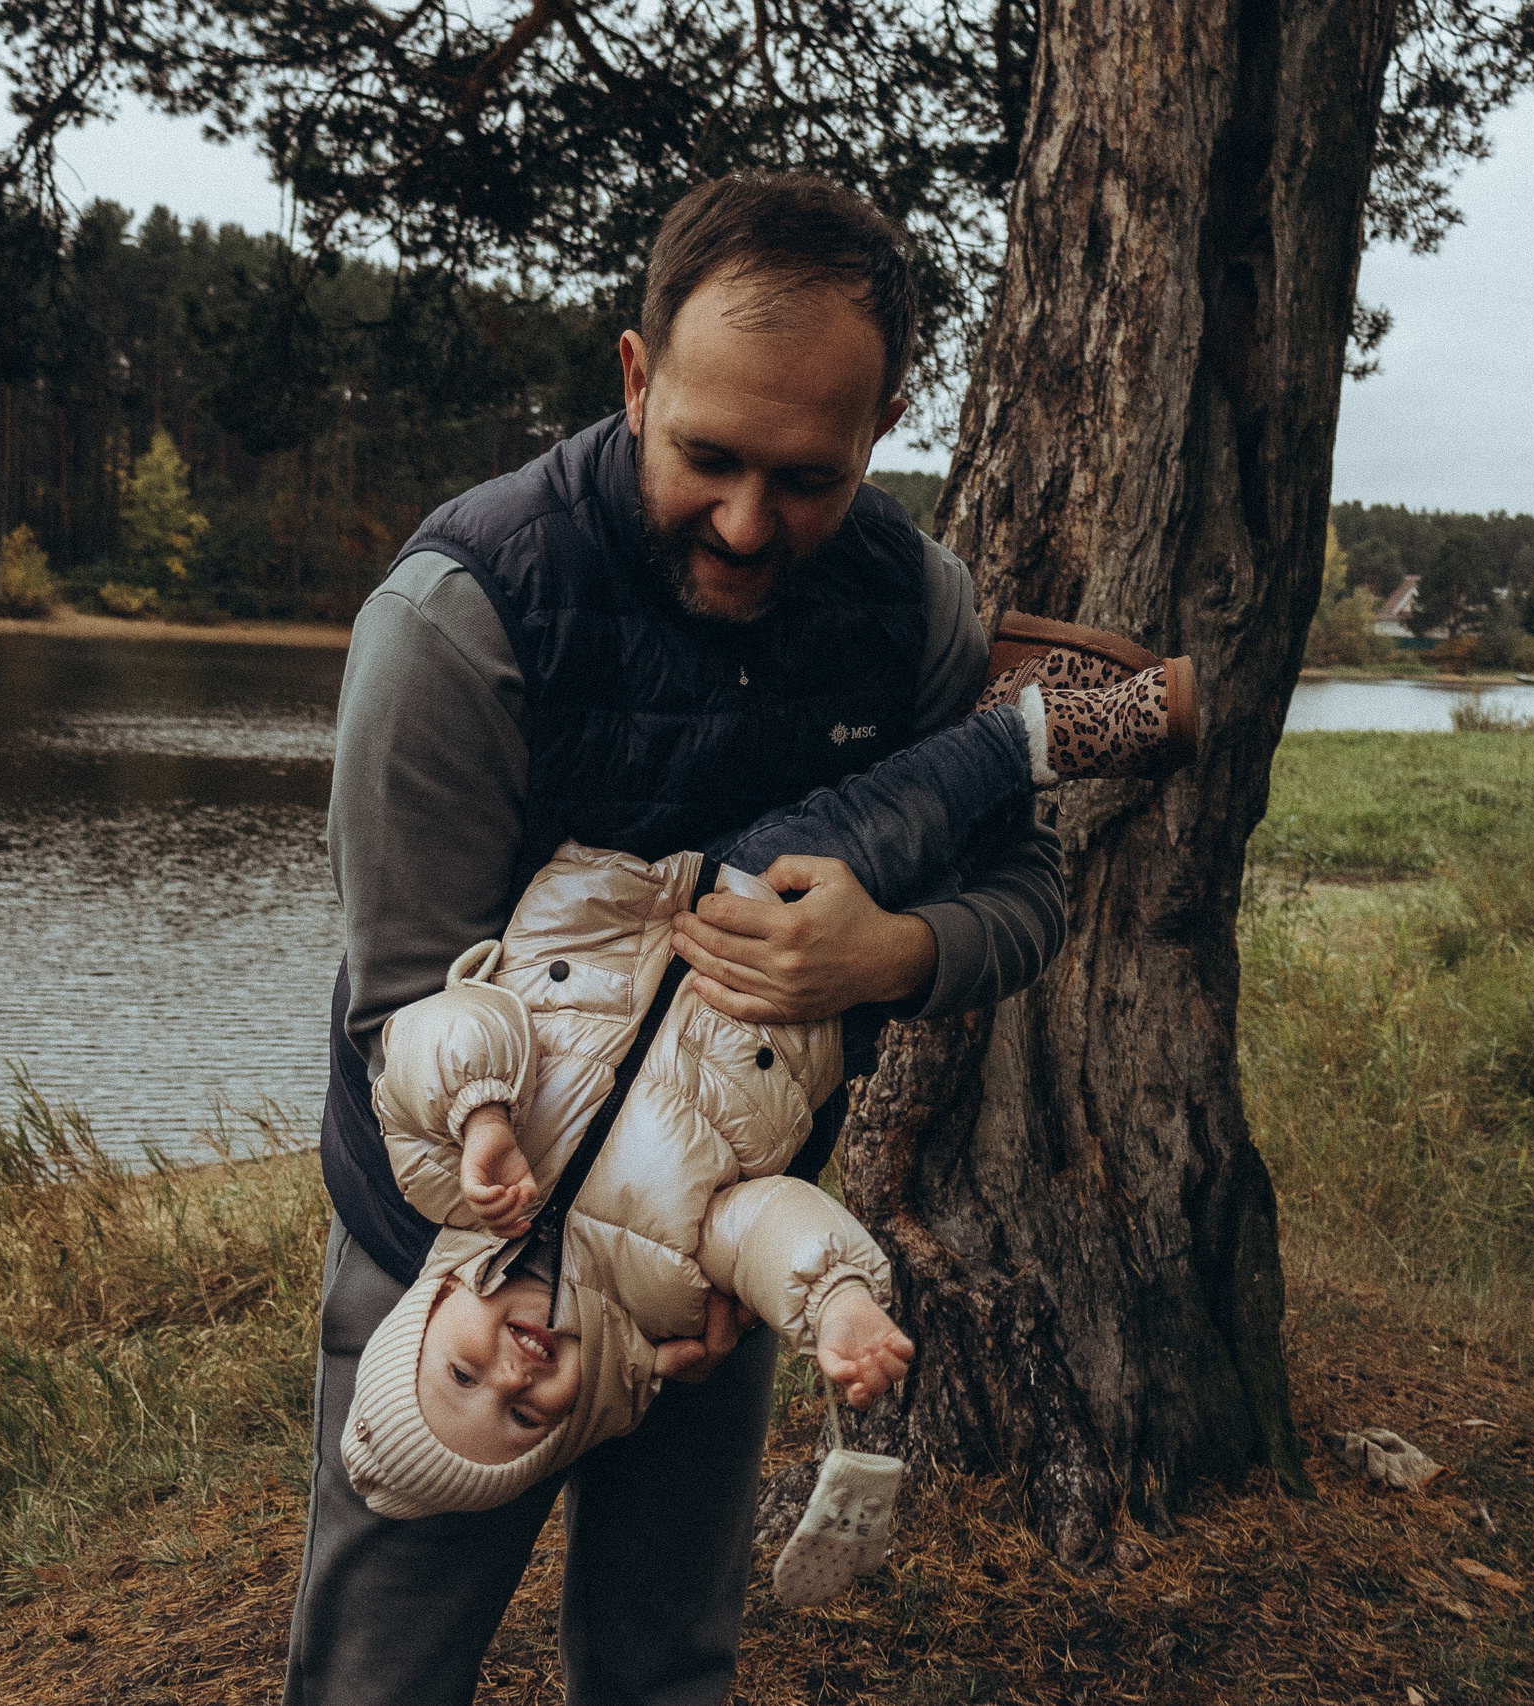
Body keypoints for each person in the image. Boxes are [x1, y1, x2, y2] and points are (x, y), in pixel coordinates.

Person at [287, 172, 1077, 1706]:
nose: (745, 521)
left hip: (718, 1238)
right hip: (450, 1276)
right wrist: (508, 1286)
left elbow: (1026, 894)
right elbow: (404, 1011)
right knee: (379, 1681)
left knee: (666, 1670)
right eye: (708, 457)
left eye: (808, 477)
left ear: (881, 425)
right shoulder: (461, 617)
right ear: (636, 375)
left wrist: (887, 959)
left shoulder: (914, 609)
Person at [341, 652, 1191, 1521]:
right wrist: (835, 1301)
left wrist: (480, 1114)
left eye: (460, 1371)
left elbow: (435, 1035)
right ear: (572, 1422)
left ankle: (1037, 731)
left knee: (883, 821)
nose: (508, 1372)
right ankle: (1005, 702)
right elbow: (761, 1226)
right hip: (789, 999)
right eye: (522, 1414)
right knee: (944, 859)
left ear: (433, 1305)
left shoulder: (447, 1185)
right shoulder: (662, 1297)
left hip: (650, 908)